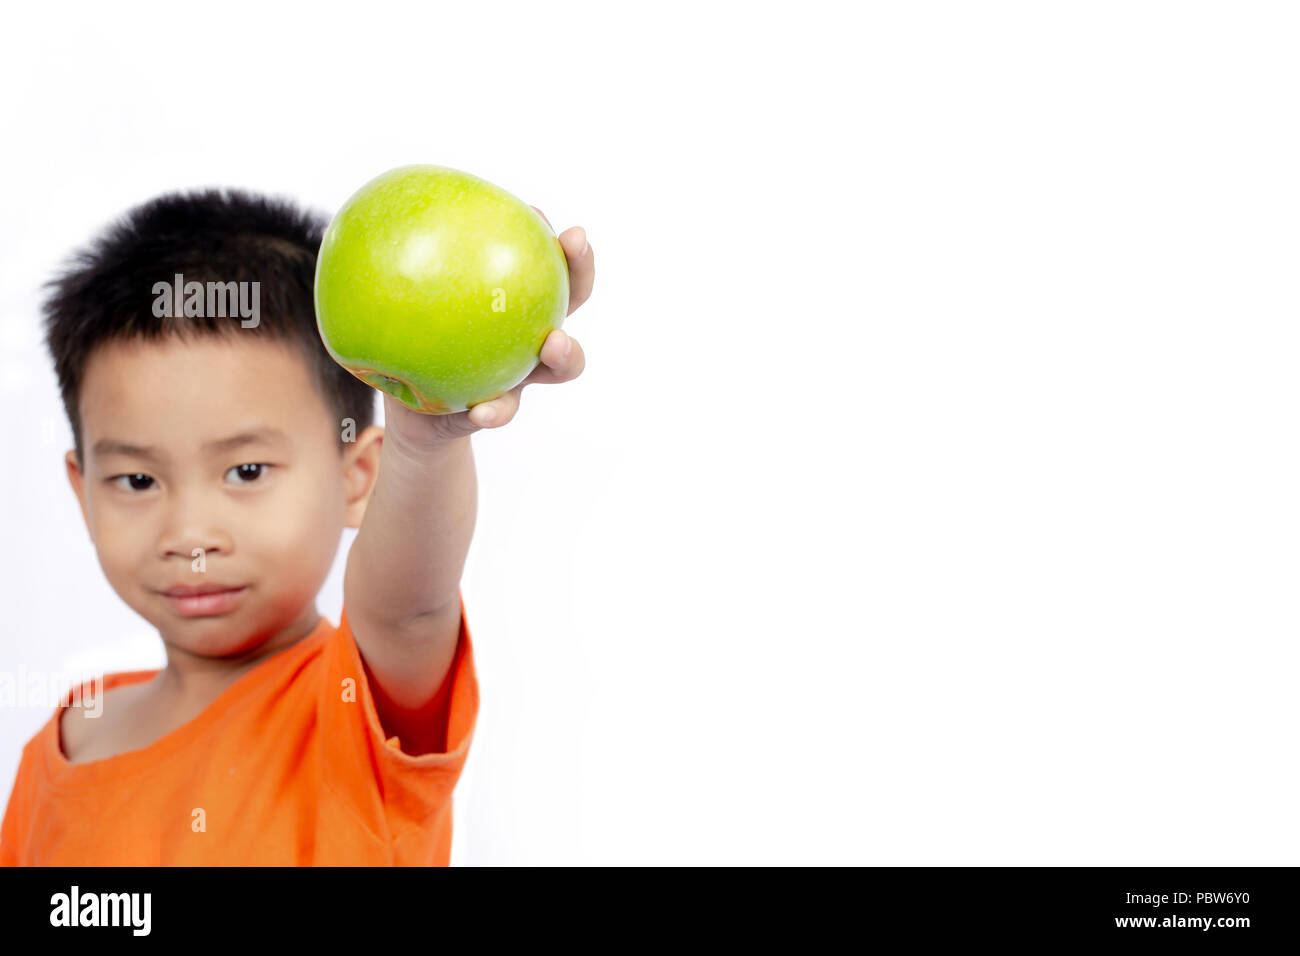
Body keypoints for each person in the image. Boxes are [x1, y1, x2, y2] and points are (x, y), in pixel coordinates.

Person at [0, 187, 594, 865]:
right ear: (82, 491)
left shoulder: (357, 705)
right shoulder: (63, 744)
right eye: (138, 481)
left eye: (247, 471)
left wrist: (426, 437)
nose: (191, 535)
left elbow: (409, 609)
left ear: (358, 476)